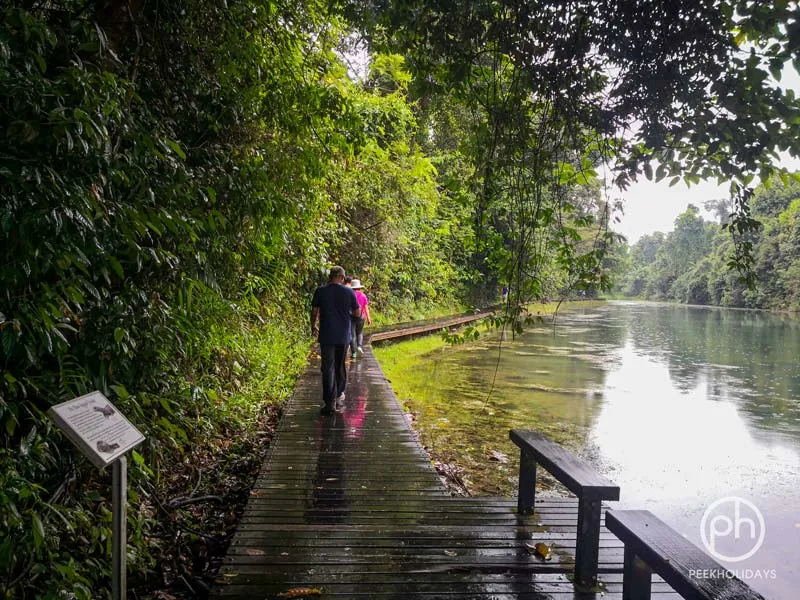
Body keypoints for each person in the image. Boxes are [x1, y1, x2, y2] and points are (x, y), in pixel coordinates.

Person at [311, 267, 361, 415]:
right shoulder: (349, 292)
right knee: (340, 366)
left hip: (326, 335)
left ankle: (329, 402)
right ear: (341, 277)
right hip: (343, 336)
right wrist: (348, 316)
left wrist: (313, 325)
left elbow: (314, 311)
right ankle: (339, 394)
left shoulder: (320, 291)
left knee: (328, 368)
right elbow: (357, 312)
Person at [349, 279, 372, 358]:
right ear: (359, 287)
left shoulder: (349, 295)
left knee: (352, 335)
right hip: (361, 317)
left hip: (351, 317)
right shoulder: (363, 295)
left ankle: (353, 352)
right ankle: (359, 346)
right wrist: (369, 319)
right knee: (359, 332)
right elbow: (366, 308)